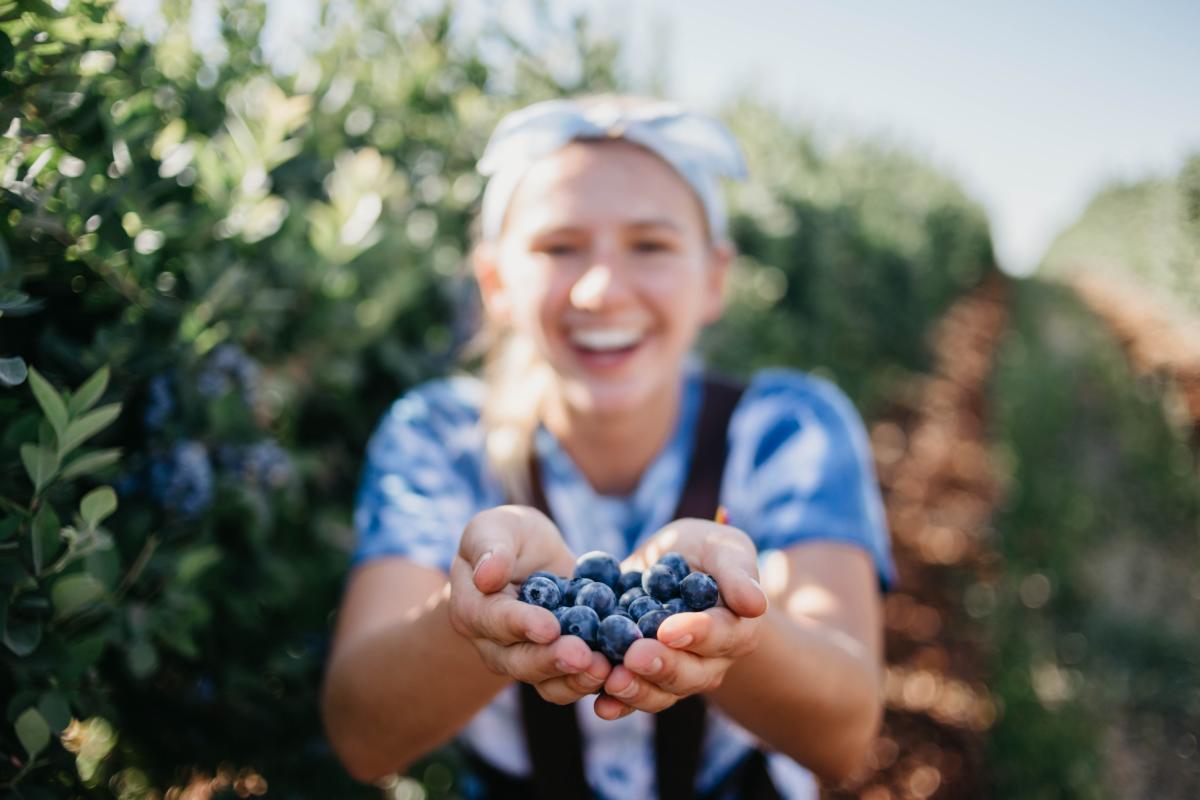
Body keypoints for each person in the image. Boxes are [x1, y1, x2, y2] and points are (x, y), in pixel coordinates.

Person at [320, 95, 895, 800]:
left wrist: (731, 630)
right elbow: (360, 736)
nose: (601, 289)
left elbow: (844, 738)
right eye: (559, 247)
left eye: (650, 246)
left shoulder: (788, 431)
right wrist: (469, 616)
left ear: (714, 277)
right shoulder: (437, 438)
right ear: (496, 282)